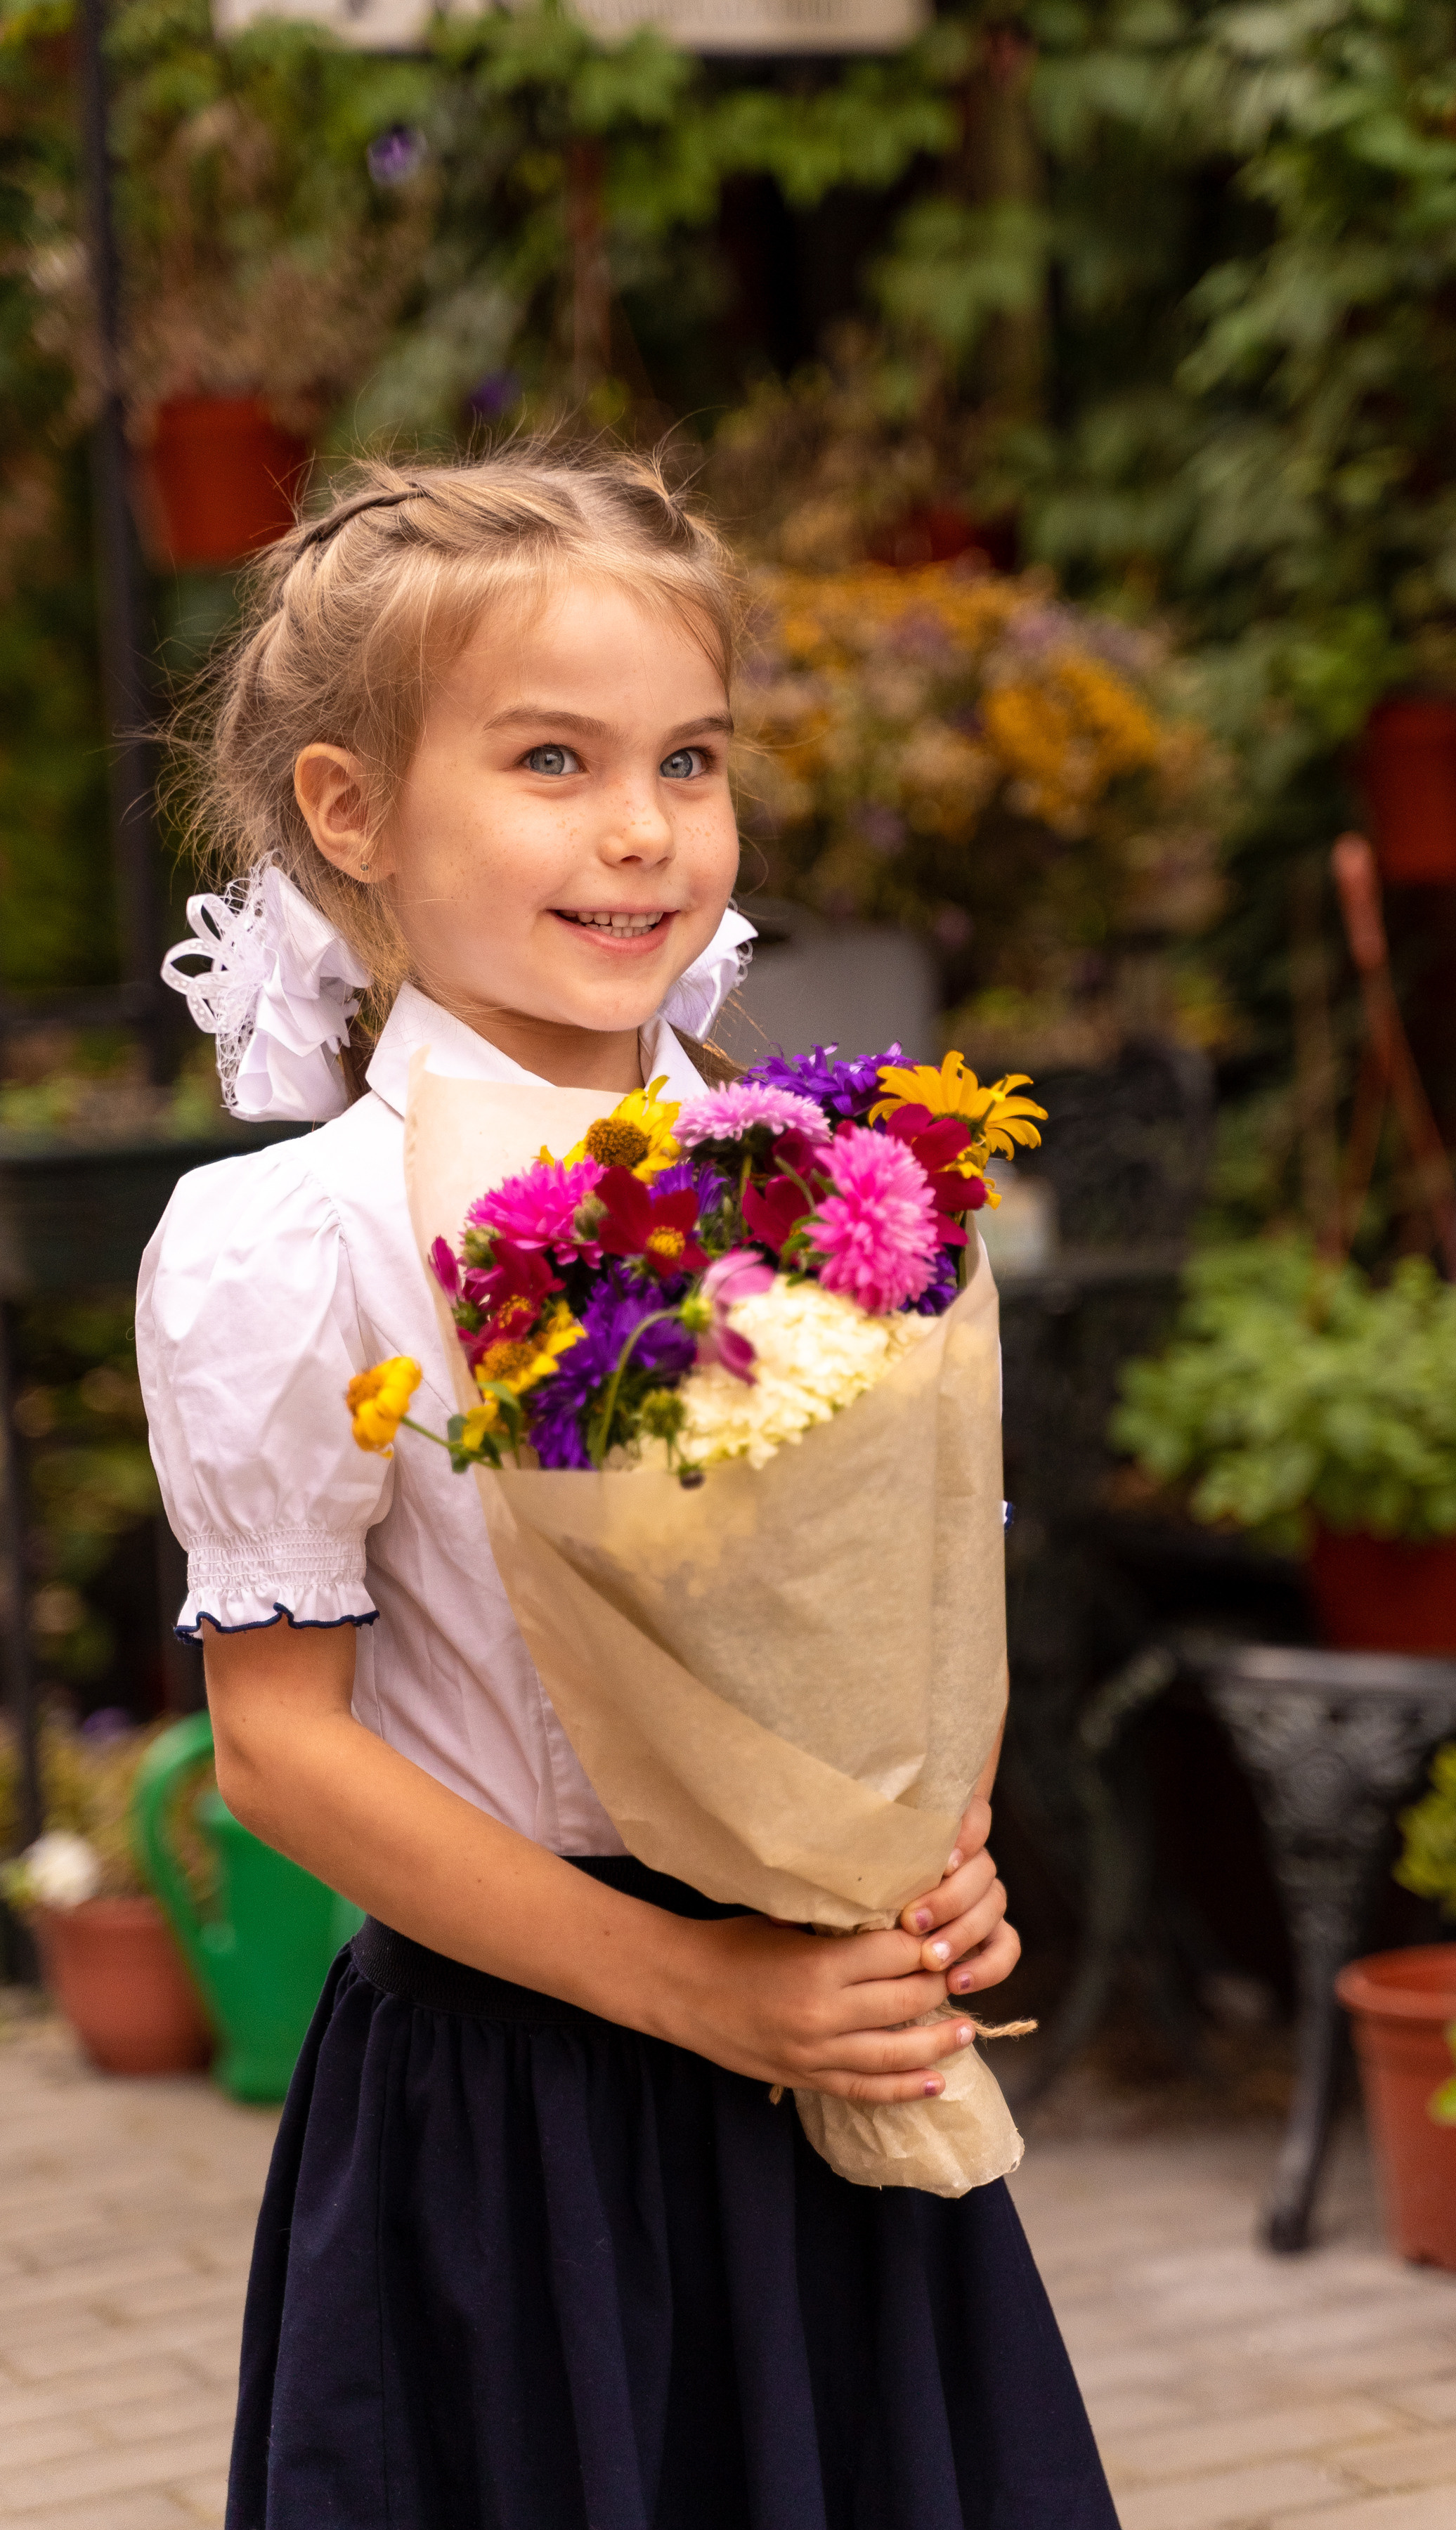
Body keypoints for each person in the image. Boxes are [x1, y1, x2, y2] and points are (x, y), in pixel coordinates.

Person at [137, 444, 1116, 2530]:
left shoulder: (837, 1179)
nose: (643, 831)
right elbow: (281, 1753)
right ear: (353, 812)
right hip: (527, 2124)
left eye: (691, 759)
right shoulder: (296, 1244)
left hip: (835, 2086)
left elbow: (931, 1581)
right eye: (554, 761)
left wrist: (929, 1849)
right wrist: (696, 1985)